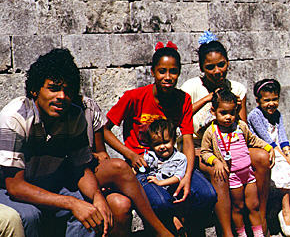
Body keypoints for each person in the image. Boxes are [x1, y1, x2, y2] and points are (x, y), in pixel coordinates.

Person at [105, 41, 217, 235]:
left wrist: (187, 176)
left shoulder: (183, 99)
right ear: (153, 72)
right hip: (144, 166)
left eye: (173, 72)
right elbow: (104, 130)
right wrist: (130, 154)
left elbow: (188, 141)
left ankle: (185, 225)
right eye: (162, 71)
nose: (167, 77)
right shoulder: (134, 97)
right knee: (161, 202)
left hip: (173, 163)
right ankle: (170, 226)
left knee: (207, 195)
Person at [0, 48, 112, 237]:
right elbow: (15, 186)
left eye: (67, 91)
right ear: (35, 90)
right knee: (29, 216)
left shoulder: (75, 116)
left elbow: (81, 168)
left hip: (47, 183)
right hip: (6, 188)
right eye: (53, 88)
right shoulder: (15, 117)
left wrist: (97, 197)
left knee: (91, 211)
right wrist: (71, 202)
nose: (61, 96)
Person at [180, 31, 274, 237]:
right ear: (202, 68)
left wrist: (267, 146)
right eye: (210, 67)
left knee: (261, 158)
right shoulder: (191, 87)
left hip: (231, 144)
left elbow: (241, 127)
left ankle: (260, 218)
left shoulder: (237, 89)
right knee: (218, 170)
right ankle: (227, 231)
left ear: (228, 63)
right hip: (199, 148)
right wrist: (207, 100)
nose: (216, 71)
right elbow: (182, 121)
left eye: (221, 64)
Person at [76, 96, 173, 237]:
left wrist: (101, 156)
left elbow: (101, 150)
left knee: (121, 204)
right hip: (73, 173)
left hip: (91, 171)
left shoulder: (88, 106)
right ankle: (162, 232)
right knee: (120, 167)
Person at [201, 89, 273, 237]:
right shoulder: (211, 131)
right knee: (238, 207)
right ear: (213, 111)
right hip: (233, 176)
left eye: (232, 113)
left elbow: (252, 140)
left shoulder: (240, 126)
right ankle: (241, 234)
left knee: (254, 205)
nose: (228, 117)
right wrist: (215, 161)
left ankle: (259, 233)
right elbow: (204, 152)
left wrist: (267, 147)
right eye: (223, 113)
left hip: (248, 173)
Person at [248, 79, 290, 237]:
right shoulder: (255, 115)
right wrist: (285, 158)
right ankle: (285, 210)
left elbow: (282, 136)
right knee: (285, 171)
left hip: (280, 151)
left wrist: (288, 154)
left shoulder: (277, 114)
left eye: (275, 99)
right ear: (258, 100)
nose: (271, 104)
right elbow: (266, 139)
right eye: (267, 100)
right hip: (266, 152)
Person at [137, 119, 188, 233]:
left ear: (174, 140)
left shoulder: (180, 158)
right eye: (157, 144)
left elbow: (177, 177)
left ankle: (177, 220)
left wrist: (160, 183)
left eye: (166, 142)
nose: (162, 147)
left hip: (171, 190)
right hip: (157, 190)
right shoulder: (151, 156)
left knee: (178, 203)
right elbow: (140, 167)